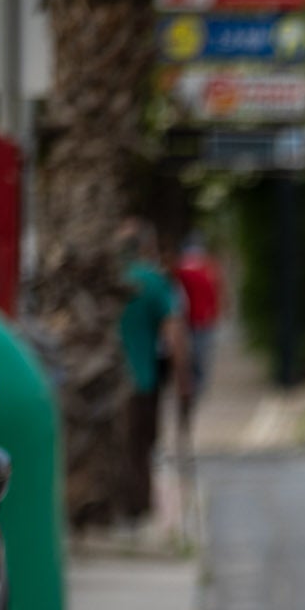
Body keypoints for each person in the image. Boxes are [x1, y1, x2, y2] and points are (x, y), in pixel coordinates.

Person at [116, 220, 189, 523]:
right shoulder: (153, 281)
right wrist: (184, 378)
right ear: (146, 246)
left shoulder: (103, 278)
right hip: (141, 378)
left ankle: (116, 510)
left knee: (119, 448)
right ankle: (137, 509)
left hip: (101, 386)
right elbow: (174, 334)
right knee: (140, 447)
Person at [172, 234, 222, 445]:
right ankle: (192, 389)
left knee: (197, 359)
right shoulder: (196, 271)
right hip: (193, 323)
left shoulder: (202, 271)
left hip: (200, 322)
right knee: (195, 359)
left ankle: (194, 389)